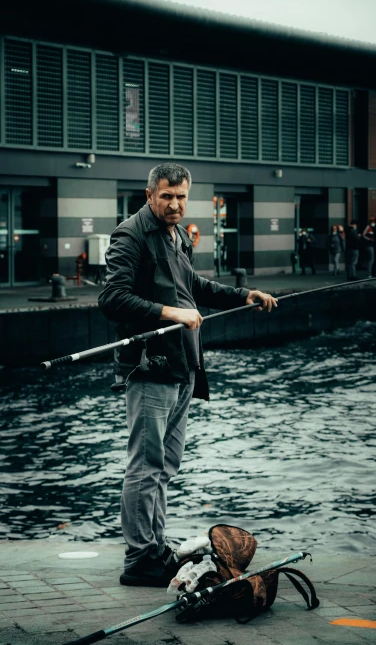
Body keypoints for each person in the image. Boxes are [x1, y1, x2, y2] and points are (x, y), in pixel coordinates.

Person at [98, 163, 277, 588]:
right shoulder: (130, 235)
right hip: (149, 368)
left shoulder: (178, 234)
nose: (174, 204)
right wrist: (168, 312)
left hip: (183, 367)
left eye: (181, 197)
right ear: (149, 195)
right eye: (166, 196)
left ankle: (155, 546)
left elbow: (191, 285)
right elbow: (112, 297)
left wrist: (243, 294)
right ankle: (139, 558)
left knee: (166, 465)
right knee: (145, 466)